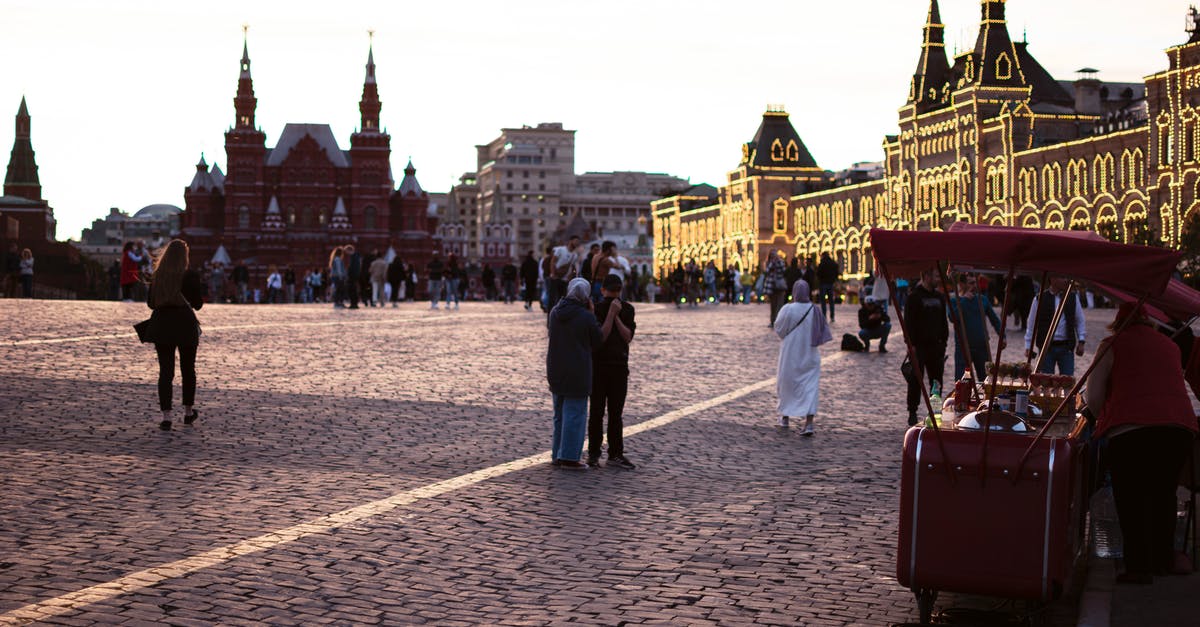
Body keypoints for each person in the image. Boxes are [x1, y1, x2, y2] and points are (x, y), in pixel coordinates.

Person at [1085, 302, 1198, 584]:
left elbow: (1093, 395)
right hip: (1178, 428)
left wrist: (1105, 418)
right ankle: (1162, 561)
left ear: (1117, 322)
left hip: (1131, 429)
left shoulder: (1112, 344)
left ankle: (1138, 568)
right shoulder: (1169, 346)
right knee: (1163, 494)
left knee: (1132, 497)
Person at [146, 239, 204, 431]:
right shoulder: (189, 275)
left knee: (166, 371)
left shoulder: (158, 275)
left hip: (162, 324)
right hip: (185, 325)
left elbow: (151, 303)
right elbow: (198, 304)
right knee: (188, 369)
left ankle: (167, 416)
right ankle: (188, 412)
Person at [547, 277, 602, 470]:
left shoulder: (554, 312)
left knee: (559, 415)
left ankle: (557, 454)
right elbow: (597, 341)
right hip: (577, 370)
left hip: (556, 368)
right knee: (575, 415)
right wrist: (592, 313)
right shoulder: (585, 316)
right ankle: (570, 457)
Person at [588, 274, 637, 469]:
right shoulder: (596, 309)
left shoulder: (628, 309)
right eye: (612, 291)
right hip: (599, 367)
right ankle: (594, 453)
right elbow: (600, 338)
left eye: (616, 291)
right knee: (597, 412)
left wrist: (616, 315)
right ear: (603, 291)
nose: (614, 295)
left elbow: (627, 337)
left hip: (619, 367)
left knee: (616, 413)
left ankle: (615, 453)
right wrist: (610, 314)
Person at [774, 279, 833, 435]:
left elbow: (779, 329)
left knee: (786, 383)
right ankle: (809, 423)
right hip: (810, 354)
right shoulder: (815, 310)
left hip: (790, 354)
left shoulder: (788, 309)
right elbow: (822, 332)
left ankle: (785, 417)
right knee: (810, 388)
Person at [903, 269, 949, 426]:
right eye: (935, 276)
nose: (937, 279)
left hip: (936, 346)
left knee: (936, 383)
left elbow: (944, 321)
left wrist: (944, 342)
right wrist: (910, 344)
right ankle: (912, 411)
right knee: (915, 380)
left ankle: (935, 412)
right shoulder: (914, 297)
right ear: (925, 276)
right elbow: (908, 323)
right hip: (919, 347)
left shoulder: (939, 297)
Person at [1024, 277, 1086, 375]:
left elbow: (1080, 321)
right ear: (1053, 279)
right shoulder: (1039, 299)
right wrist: (1028, 346)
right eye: (1062, 277)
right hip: (1046, 348)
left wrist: (1081, 341)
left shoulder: (1072, 297)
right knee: (1045, 381)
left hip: (1066, 347)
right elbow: (1031, 324)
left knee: (1067, 380)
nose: (1066, 280)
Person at [948, 273, 1004, 380]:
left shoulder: (982, 299)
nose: (975, 286)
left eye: (976, 282)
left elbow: (995, 319)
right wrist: (964, 301)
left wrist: (1002, 336)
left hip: (982, 346)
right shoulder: (955, 300)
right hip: (963, 348)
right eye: (971, 283)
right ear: (962, 284)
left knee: (985, 379)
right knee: (961, 380)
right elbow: (952, 318)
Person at [548, 235, 581, 312]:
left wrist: (571, 277)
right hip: (555, 278)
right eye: (575, 241)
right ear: (570, 241)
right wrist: (553, 274)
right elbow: (553, 261)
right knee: (552, 300)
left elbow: (573, 268)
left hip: (565, 280)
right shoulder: (560, 250)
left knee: (562, 301)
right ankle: (550, 319)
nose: (576, 243)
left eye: (578, 242)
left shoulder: (574, 255)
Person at [764, 250, 788, 327]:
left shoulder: (780, 262)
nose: (774, 257)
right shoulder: (769, 263)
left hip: (780, 286)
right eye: (772, 256)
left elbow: (784, 271)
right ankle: (772, 321)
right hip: (772, 287)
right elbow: (767, 271)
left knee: (780, 305)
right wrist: (772, 263)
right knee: (773, 306)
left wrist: (777, 262)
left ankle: (778, 321)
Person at [816, 252, 840, 322]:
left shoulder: (822, 263)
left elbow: (818, 273)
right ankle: (832, 316)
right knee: (831, 301)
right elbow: (836, 272)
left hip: (823, 283)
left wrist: (820, 279)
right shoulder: (833, 263)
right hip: (830, 283)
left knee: (823, 301)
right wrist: (834, 279)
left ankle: (824, 315)